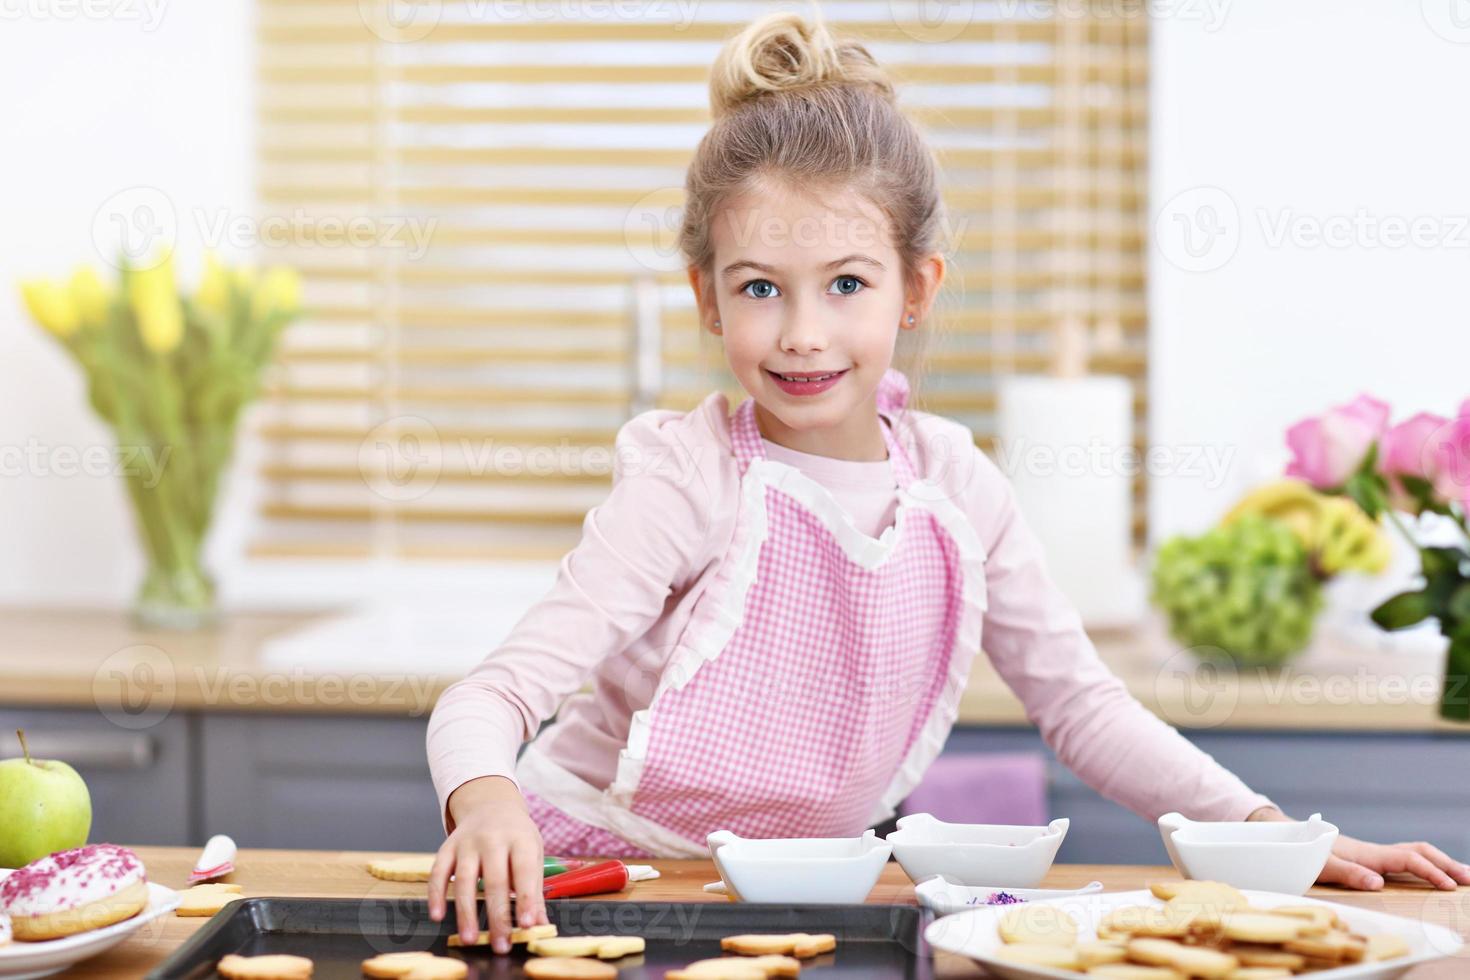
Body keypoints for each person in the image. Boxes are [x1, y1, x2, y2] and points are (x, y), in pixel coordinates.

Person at [424, 8, 1469, 951]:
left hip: (800, 902)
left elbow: (1083, 704)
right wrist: (486, 800)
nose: (801, 332)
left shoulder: (956, 485)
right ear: (707, 297)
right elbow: (489, 696)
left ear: (914, 287)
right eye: (759, 288)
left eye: (846, 283)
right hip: (607, 882)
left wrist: (1270, 832)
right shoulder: (687, 477)